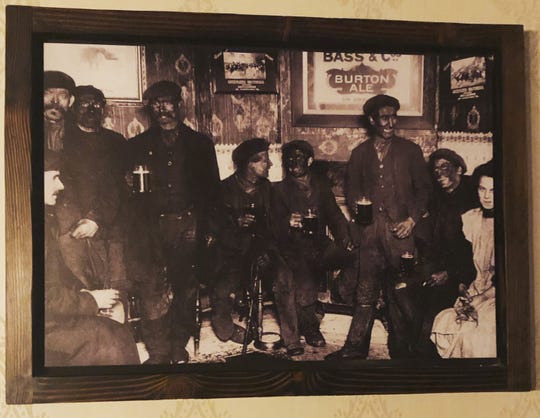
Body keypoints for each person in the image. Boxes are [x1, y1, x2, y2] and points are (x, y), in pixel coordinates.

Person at [326, 94, 432, 360]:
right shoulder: (360, 153)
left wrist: (412, 220)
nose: (390, 122)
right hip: (371, 234)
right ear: (372, 120)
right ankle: (355, 347)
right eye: (384, 117)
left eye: (393, 116)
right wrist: (363, 219)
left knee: (403, 290)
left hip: (402, 234)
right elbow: (352, 192)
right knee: (365, 290)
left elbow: (424, 190)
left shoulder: (411, 151)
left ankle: (405, 348)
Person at [126, 80, 222, 364]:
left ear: (179, 105)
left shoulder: (200, 144)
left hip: (189, 225)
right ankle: (157, 350)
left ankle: (178, 344)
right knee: (152, 286)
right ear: (150, 108)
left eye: (167, 102)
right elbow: (128, 196)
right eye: (156, 103)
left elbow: (214, 192)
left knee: (185, 286)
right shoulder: (136, 146)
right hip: (151, 228)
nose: (162, 109)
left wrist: (208, 229)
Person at [44, 150, 139, 366]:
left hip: (51, 315)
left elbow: (54, 282)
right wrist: (92, 301)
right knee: (109, 339)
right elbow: (41, 298)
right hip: (37, 328)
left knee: (117, 332)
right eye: (53, 178)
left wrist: (87, 295)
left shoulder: (43, 219)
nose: (61, 186)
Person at [211, 138, 303, 356]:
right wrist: (235, 224)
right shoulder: (223, 190)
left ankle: (292, 339)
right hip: (233, 252)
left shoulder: (270, 191)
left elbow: (277, 227)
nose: (269, 164)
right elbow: (213, 227)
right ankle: (226, 329)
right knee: (221, 289)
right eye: (264, 160)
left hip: (264, 251)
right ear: (248, 164)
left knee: (284, 279)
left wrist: (286, 222)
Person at [272, 140, 352, 348]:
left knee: (357, 255)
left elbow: (335, 217)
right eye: (289, 158)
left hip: (319, 244)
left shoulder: (321, 187)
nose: (293, 162)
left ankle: (339, 290)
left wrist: (346, 240)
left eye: (298, 157)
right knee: (304, 278)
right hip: (292, 247)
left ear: (310, 160)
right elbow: (271, 225)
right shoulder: (278, 190)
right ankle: (310, 328)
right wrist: (286, 222)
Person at [55, 85, 129, 294]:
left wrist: (96, 218)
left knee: (114, 289)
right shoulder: (61, 139)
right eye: (85, 103)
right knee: (80, 292)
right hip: (72, 228)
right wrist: (78, 221)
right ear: (73, 107)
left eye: (97, 103)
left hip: (109, 226)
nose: (91, 108)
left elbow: (120, 186)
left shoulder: (116, 142)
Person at [414, 149, 477, 357]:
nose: (439, 173)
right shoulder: (437, 197)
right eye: (435, 170)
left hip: (468, 272)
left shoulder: (475, 197)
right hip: (444, 267)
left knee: (432, 316)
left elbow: (473, 251)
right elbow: (433, 241)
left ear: (459, 169)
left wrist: (450, 274)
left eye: (444, 167)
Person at [430, 160, 496, 358]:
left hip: (499, 296)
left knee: (474, 336)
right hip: (474, 289)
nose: (486, 196)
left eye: (493, 190)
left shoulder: (514, 223)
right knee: (445, 322)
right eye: (482, 189)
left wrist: (480, 299)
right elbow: (461, 259)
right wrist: (462, 287)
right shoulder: (469, 219)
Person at [43, 71, 75, 153]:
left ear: (70, 101)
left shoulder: (78, 133)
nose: (55, 101)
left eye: (62, 96)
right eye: (48, 93)